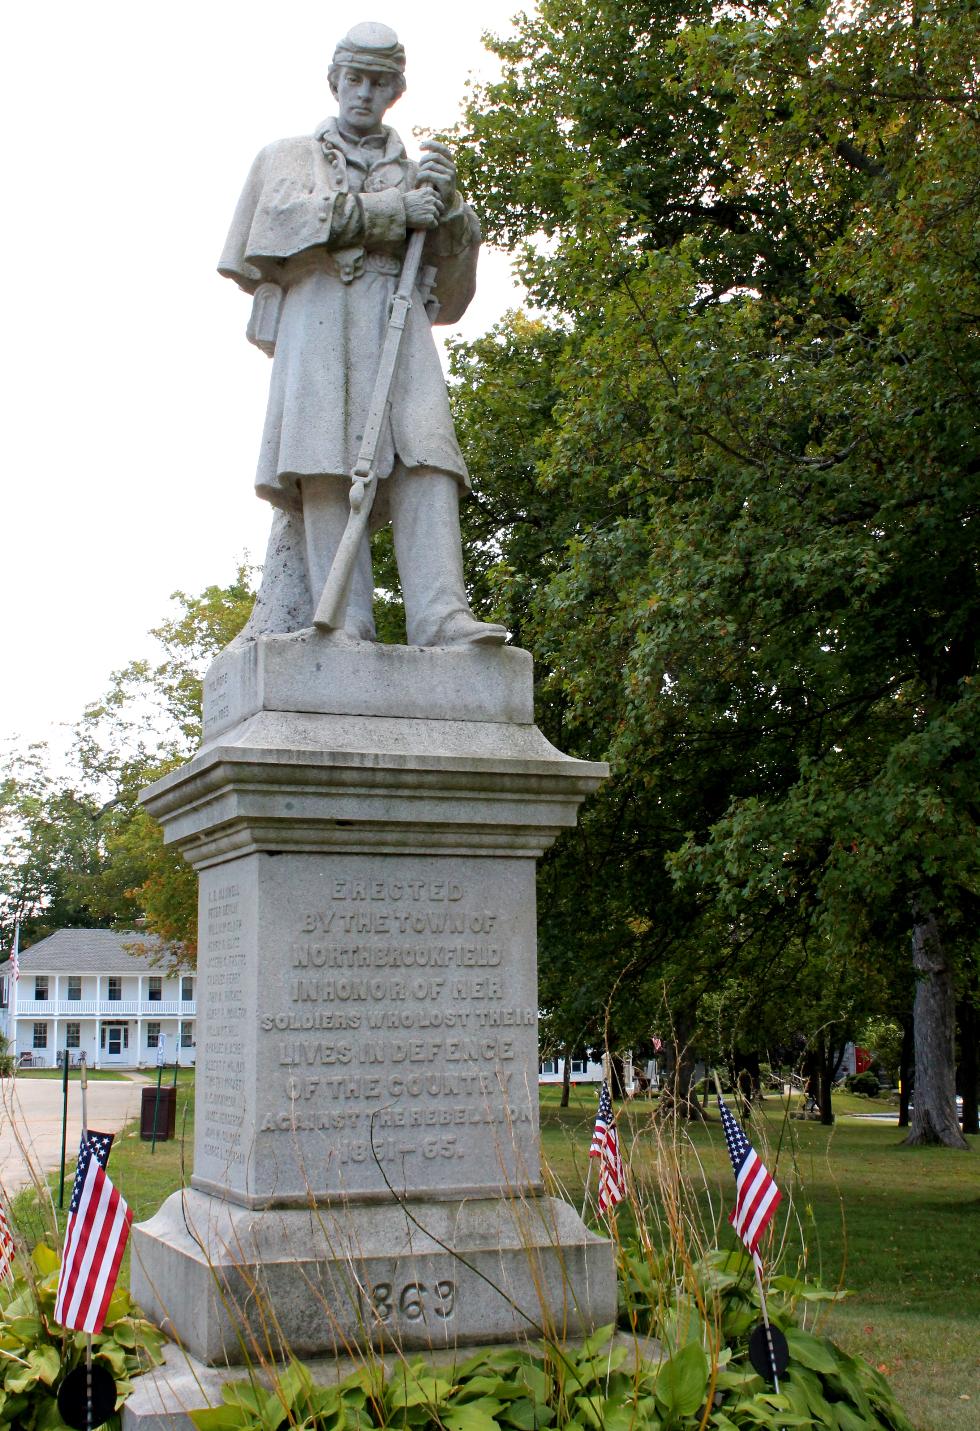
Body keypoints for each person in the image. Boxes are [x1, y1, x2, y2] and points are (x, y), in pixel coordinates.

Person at [219, 21, 507, 648]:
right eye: (355, 80)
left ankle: (442, 616)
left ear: (395, 91)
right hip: (319, 316)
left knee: (428, 454)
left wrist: (450, 216)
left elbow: (453, 295)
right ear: (335, 81)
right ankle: (345, 622)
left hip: (398, 320)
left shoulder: (419, 176)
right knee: (323, 461)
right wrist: (385, 214)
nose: (364, 95)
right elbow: (269, 232)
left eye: (379, 83)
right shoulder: (288, 156)